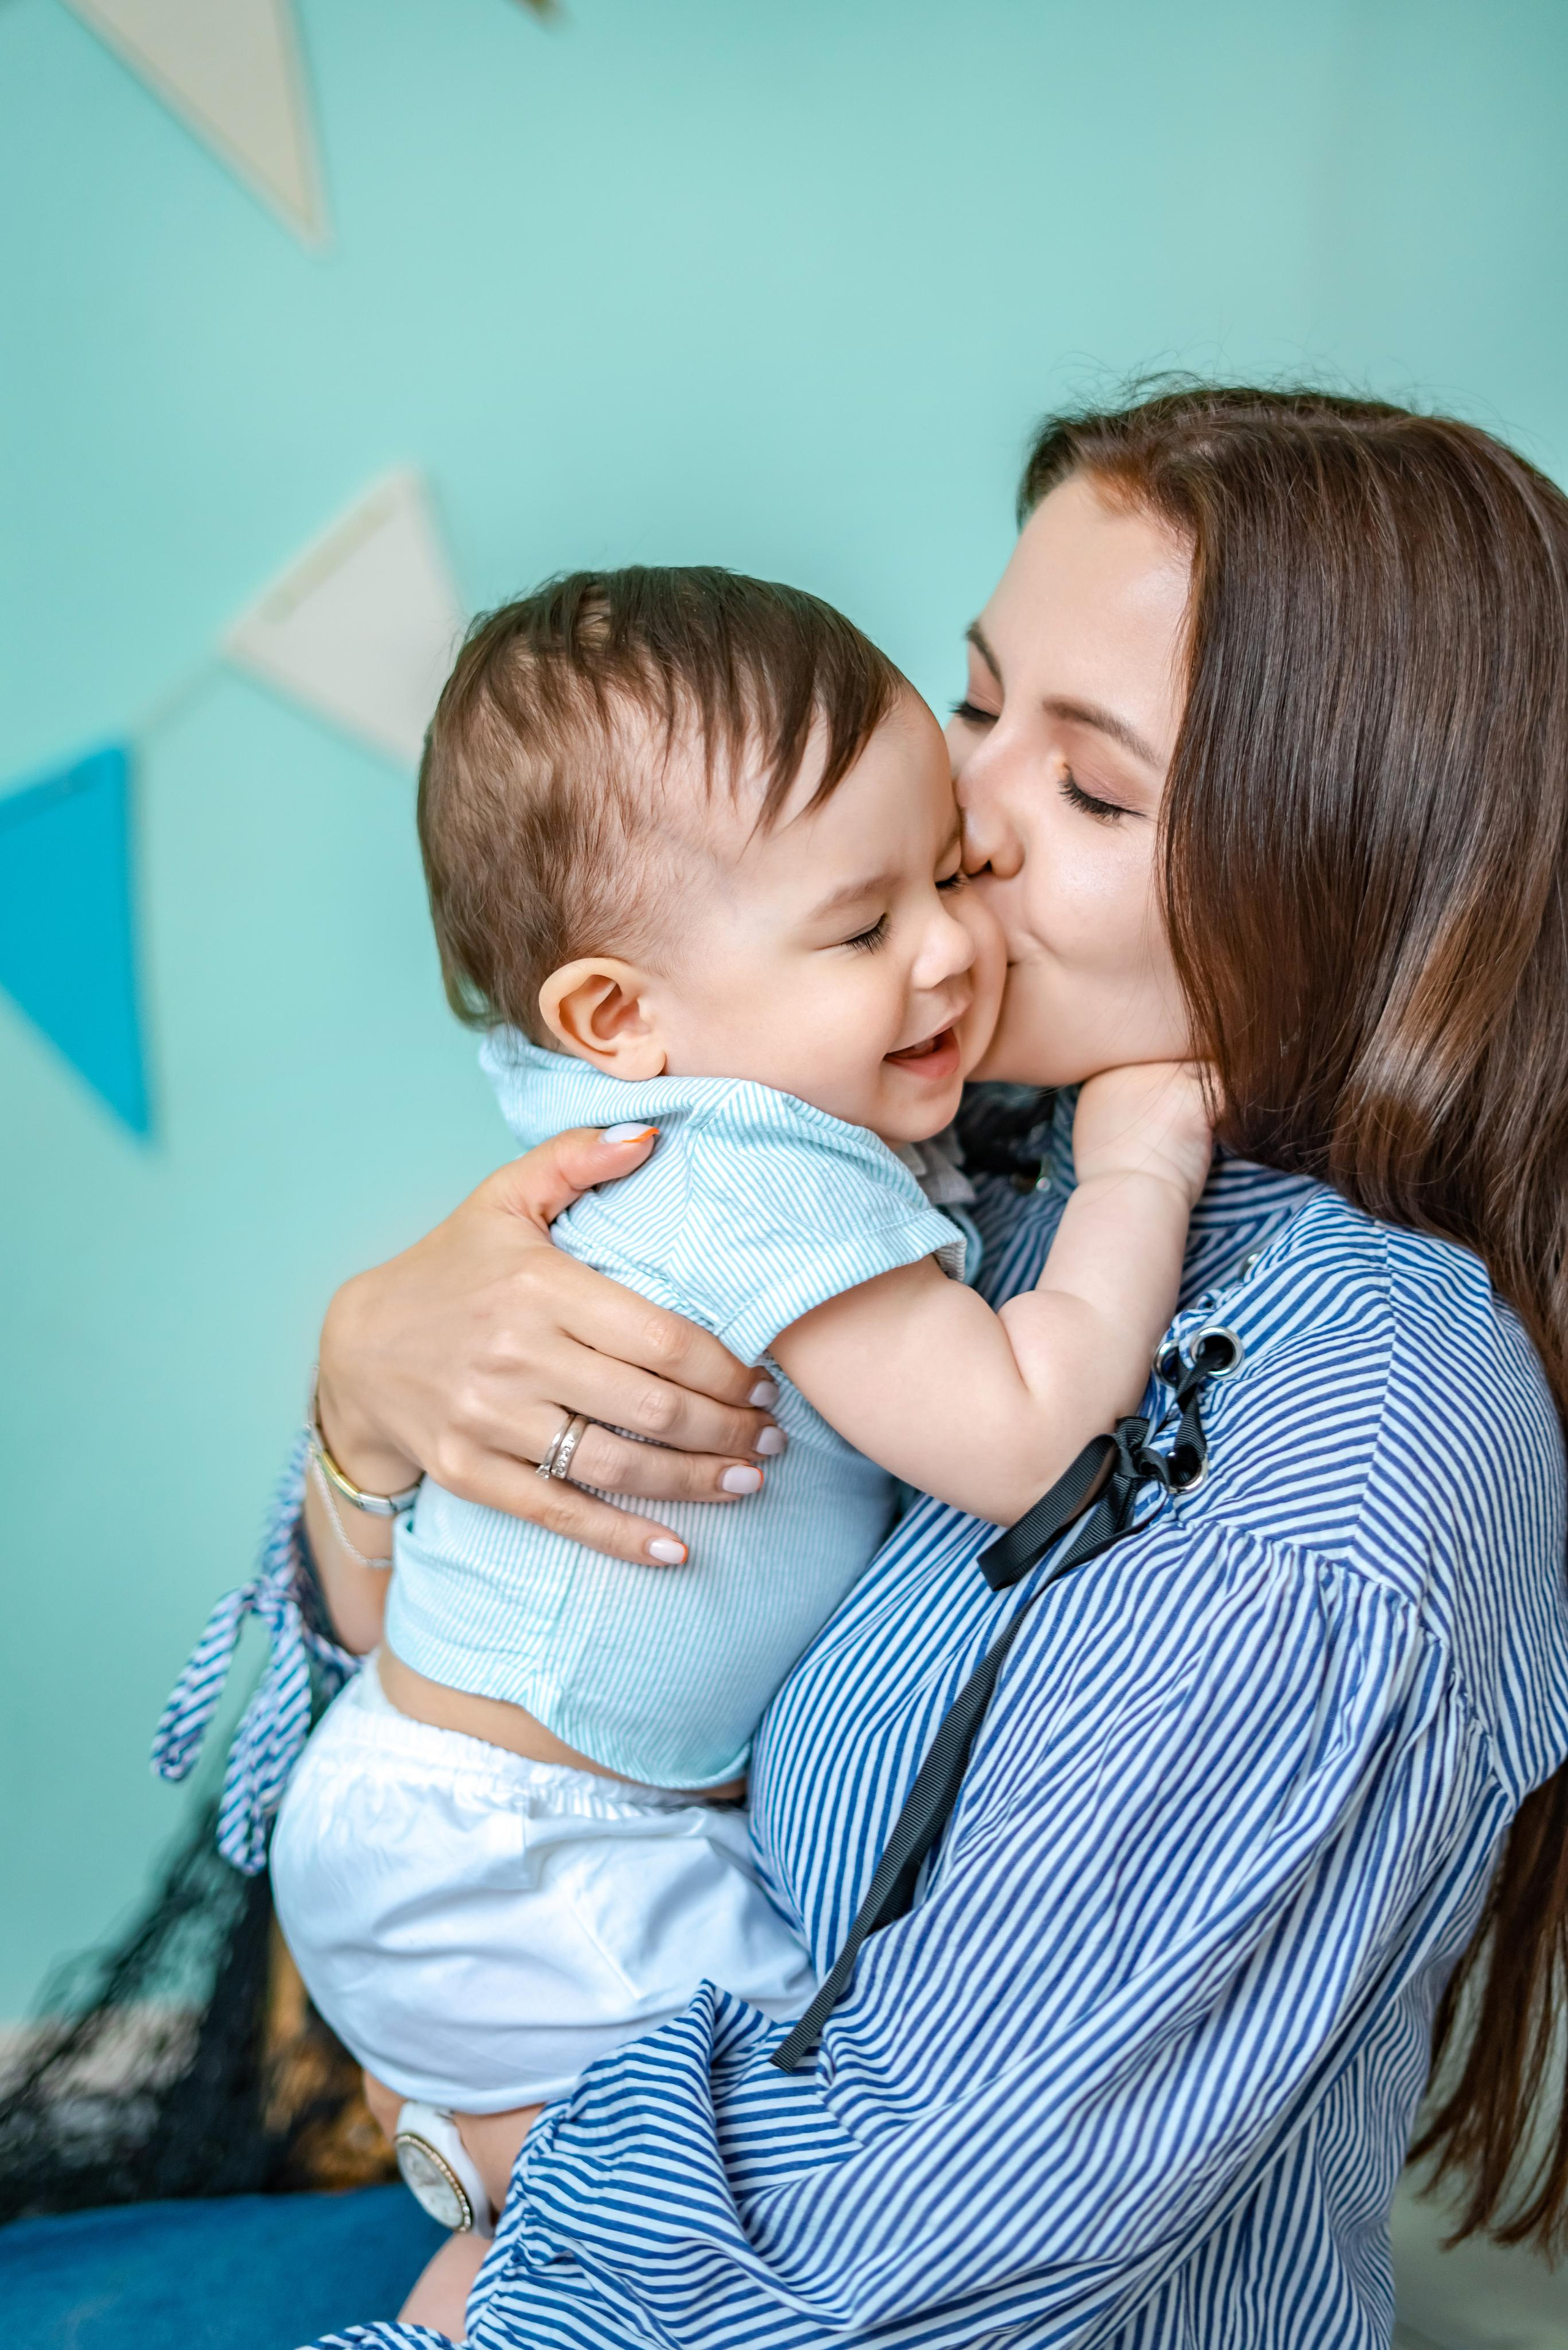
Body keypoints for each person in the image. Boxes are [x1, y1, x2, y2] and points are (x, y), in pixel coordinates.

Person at [169, 385, 1568, 2350]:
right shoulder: (964, 1152)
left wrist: (506, 2223)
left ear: (1357, 887)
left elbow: (916, 2248)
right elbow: (433, 1699)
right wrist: (367, 1420)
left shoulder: (1357, 1427)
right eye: (980, 705)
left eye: (1093, 794)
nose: (962, 825)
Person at [264, 565, 1211, 2240]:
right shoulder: (766, 1173)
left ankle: (478, 2183)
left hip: (465, 1820)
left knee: (617, 2221)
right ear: (618, 1017)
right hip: (534, 1855)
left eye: (936, 877)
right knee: (792, 2169)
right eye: (866, 926)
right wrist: (1143, 1158)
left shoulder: (710, 1089)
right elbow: (1021, 1436)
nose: (954, 939)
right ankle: (491, 2197)